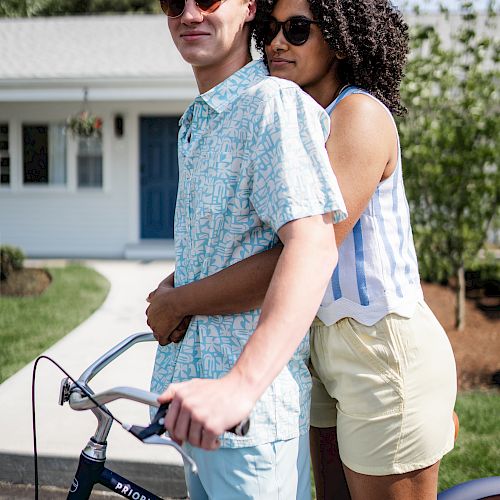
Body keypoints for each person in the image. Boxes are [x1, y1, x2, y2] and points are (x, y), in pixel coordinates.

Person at [147, 0, 458, 499]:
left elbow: (306, 249)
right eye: (270, 29)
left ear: (338, 35)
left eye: (296, 30)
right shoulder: (299, 114)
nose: (275, 43)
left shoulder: (356, 115)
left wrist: (180, 300)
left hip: (379, 347)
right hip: (321, 344)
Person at [147, 0, 347, 498]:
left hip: (250, 421)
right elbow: (230, 246)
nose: (190, 14)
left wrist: (240, 387)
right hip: (195, 411)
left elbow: (313, 247)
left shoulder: (271, 102)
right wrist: (177, 288)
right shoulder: (202, 117)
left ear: (249, 8)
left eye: (210, 0)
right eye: (176, 3)